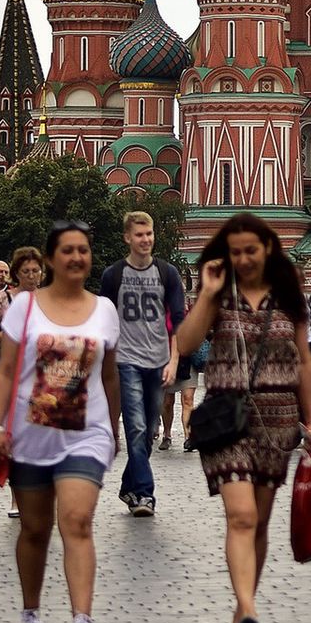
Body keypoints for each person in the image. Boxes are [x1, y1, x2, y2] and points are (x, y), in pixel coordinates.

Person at [171, 213, 311, 623]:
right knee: (242, 516)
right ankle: (249, 608)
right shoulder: (219, 294)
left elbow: (305, 362)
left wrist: (310, 422)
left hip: (278, 424)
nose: (243, 259)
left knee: (260, 524)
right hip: (228, 419)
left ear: (267, 249)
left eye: (250, 251)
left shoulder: (290, 297)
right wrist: (209, 293)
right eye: (235, 253)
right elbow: (184, 343)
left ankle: (242, 607)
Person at [0, 222, 120, 623]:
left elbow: (112, 376)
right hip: (30, 434)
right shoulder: (25, 308)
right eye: (67, 251)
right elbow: (5, 370)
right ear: (50, 258)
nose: (76, 258)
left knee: (77, 521)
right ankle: (31, 612)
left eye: (83, 250)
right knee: (35, 529)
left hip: (87, 434)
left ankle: (82, 620)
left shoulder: (104, 310)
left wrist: (113, 432)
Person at [98, 210, 187, 519]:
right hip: (127, 360)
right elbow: (104, 321)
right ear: (128, 238)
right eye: (139, 235)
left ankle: (129, 486)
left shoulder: (167, 273)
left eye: (149, 234)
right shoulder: (113, 275)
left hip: (158, 361)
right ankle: (145, 495)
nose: (146, 239)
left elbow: (177, 323)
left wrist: (173, 361)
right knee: (135, 426)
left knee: (149, 429)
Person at [0, 247, 47, 520]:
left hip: (45, 375)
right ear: (16, 274)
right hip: (13, 373)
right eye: (26, 272)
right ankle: (16, 495)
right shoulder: (4, 298)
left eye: (36, 271)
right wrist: (9, 338)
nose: (32, 276)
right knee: (17, 436)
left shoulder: (50, 299)